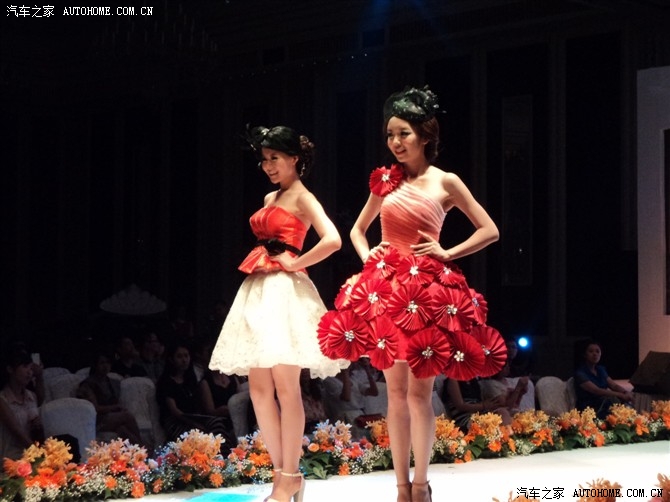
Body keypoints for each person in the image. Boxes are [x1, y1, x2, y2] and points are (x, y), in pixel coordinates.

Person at [318, 86, 500, 502]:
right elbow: (357, 231)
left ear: (425, 135)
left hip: (426, 294)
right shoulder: (386, 180)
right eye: (390, 135)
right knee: (395, 395)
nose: (395, 142)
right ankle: (401, 487)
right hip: (387, 292)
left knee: (420, 396)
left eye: (403, 133)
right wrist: (368, 255)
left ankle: (421, 484)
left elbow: (489, 229)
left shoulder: (446, 181)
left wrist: (447, 252)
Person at [208, 125, 348, 502]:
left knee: (287, 388)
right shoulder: (271, 196)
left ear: (294, 159)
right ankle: (282, 476)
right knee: (258, 390)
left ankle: (290, 477)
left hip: (285, 292)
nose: (268, 165)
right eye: (264, 159)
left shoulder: (303, 197)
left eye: (275, 158)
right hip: (258, 289)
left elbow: (333, 239)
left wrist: (296, 263)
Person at [77, 351, 144, 446]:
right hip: (96, 420)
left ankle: (141, 449)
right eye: (102, 363)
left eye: (108, 363)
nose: (105, 366)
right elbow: (95, 408)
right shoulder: (88, 384)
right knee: (127, 416)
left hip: (111, 418)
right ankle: (144, 447)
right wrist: (115, 407)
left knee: (122, 430)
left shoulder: (112, 382)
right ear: (95, 365)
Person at [0, 347, 44, 460]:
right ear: (10, 369)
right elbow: (17, 432)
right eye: (24, 367)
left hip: (31, 456)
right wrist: (41, 456)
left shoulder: (31, 396)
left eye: (30, 367)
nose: (29, 372)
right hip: (12, 459)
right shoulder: (3, 399)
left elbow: (41, 399)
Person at [574, 339, 634, 419]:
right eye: (591, 351)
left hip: (604, 402)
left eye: (597, 351)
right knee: (614, 400)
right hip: (590, 408)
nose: (595, 354)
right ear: (585, 354)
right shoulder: (580, 373)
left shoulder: (600, 369)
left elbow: (613, 386)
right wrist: (620, 395)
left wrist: (625, 392)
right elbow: (596, 391)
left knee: (628, 399)